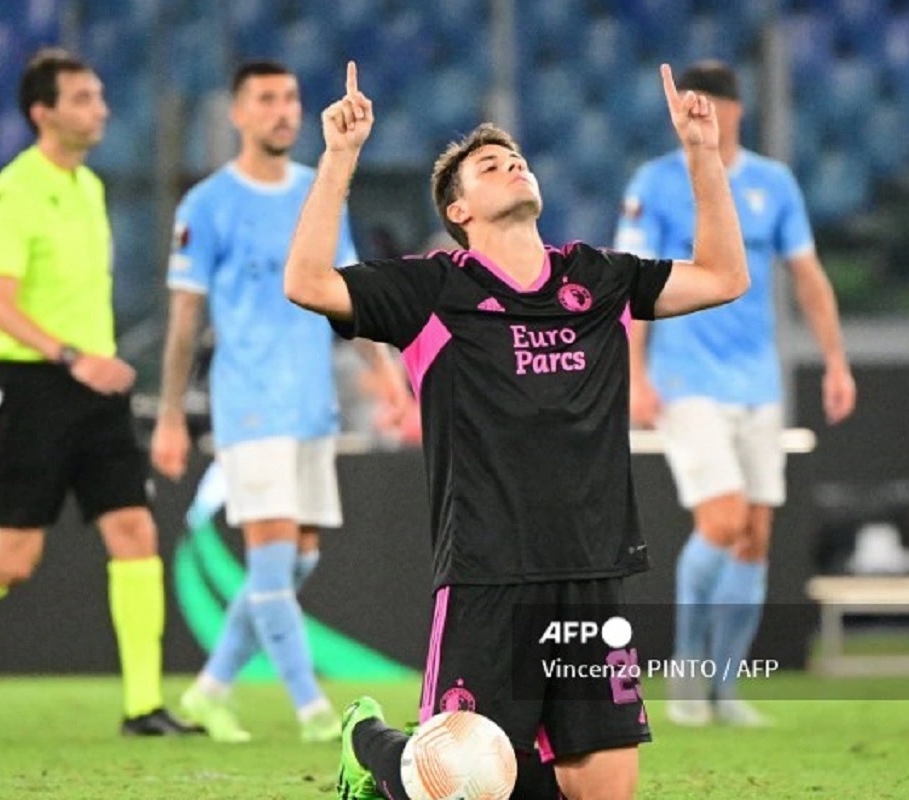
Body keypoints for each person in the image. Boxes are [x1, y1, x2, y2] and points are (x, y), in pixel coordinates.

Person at [285, 61, 749, 800]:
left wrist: (702, 155)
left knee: (596, 794)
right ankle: (370, 746)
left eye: (519, 160)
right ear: (459, 212)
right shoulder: (434, 290)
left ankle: (415, 761)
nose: (514, 168)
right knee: (460, 785)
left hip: (591, 572)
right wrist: (340, 157)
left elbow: (725, 275)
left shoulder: (597, 278)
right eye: (491, 166)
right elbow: (307, 284)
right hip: (486, 574)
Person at [0, 48, 197, 737]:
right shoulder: (13, 191)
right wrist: (74, 358)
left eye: (100, 95)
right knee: (10, 560)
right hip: (36, 388)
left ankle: (143, 706)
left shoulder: (88, 186)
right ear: (42, 112)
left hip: (97, 388)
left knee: (135, 532)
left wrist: (94, 365)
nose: (101, 108)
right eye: (83, 97)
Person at [150, 60, 407, 744]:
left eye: (290, 98)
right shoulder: (206, 205)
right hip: (251, 402)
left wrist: (386, 375)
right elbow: (184, 318)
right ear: (236, 112)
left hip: (310, 404)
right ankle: (312, 711)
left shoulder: (316, 191)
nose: (282, 111)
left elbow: (346, 295)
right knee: (269, 561)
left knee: (300, 560)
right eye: (266, 99)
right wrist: (172, 413)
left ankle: (209, 690)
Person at [615, 60, 857, 727]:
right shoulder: (655, 183)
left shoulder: (773, 185)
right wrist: (634, 374)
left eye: (714, 105)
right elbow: (628, 285)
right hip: (686, 376)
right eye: (694, 105)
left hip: (757, 379)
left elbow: (807, 276)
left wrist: (835, 360)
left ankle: (724, 691)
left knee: (754, 536)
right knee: (721, 522)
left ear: (736, 110)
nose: (704, 116)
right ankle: (687, 677)